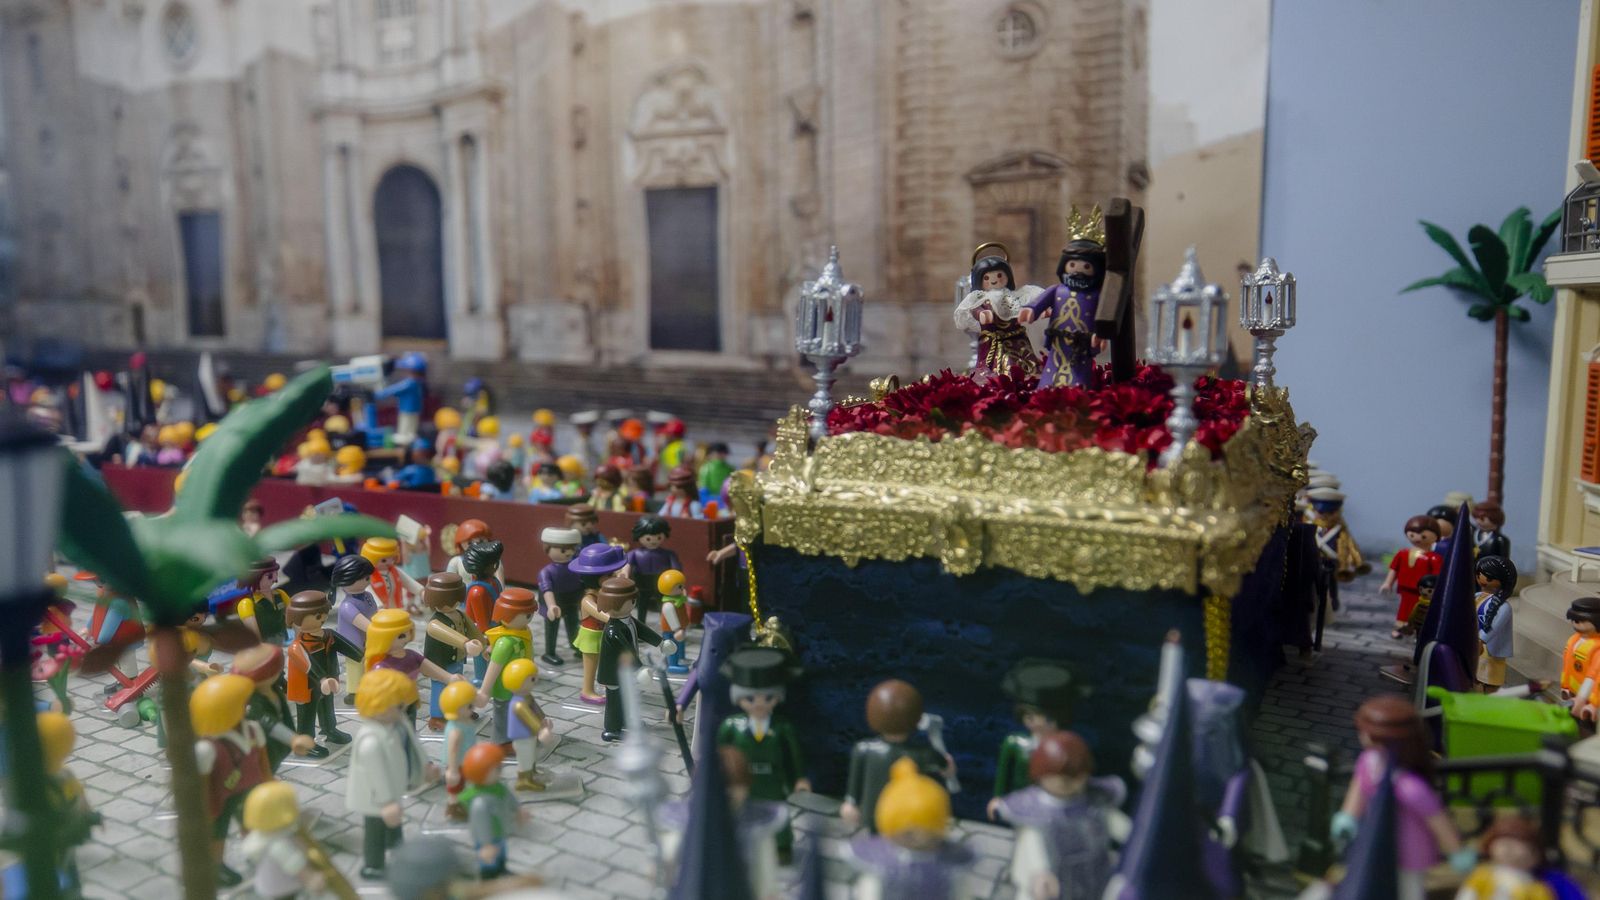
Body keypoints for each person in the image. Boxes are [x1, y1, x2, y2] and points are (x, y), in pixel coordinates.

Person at [1333, 696, 1475, 900]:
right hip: (1373, 838)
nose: (1363, 737)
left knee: (1409, 892)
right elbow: (1358, 792)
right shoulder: (1368, 763)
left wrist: (1456, 851)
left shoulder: (1410, 788)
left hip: (1408, 849)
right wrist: (1348, 816)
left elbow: (1437, 821)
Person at [994, 731, 1126, 900]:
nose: (1070, 782)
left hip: (1093, 873)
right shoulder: (1033, 809)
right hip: (1051, 880)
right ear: (1041, 775)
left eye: (1077, 776)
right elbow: (1030, 844)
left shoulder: (1094, 802)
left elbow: (1122, 827)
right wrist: (1040, 872)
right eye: (1062, 778)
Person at [346, 669, 436, 879]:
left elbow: (414, 746)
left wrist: (425, 768)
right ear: (378, 706)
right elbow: (377, 776)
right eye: (398, 705)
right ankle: (374, 865)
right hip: (375, 797)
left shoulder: (398, 721)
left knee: (394, 826)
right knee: (375, 830)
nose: (403, 708)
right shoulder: (371, 741)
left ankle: (397, 852)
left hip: (395, 786)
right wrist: (386, 802)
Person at [192, 673, 273, 886]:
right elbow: (202, 781)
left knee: (252, 823)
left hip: (251, 789)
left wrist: (268, 781)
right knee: (218, 832)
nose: (247, 706)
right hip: (222, 798)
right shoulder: (207, 748)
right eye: (241, 704)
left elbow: (262, 759)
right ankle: (215, 866)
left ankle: (256, 852)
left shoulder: (253, 730)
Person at [841, 680, 955, 833]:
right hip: (908, 817)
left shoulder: (863, 749)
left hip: (875, 816)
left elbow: (854, 785)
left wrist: (851, 802)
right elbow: (946, 767)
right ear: (917, 718)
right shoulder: (923, 753)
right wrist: (948, 767)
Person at [1017, 206, 1107, 388]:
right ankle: (1047, 388)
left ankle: (1077, 392)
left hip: (1081, 343)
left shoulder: (1096, 295)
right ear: (1064, 265)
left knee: (1079, 372)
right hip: (1058, 341)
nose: (1078, 270)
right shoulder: (1057, 290)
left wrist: (1101, 334)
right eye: (1072, 264)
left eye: (1086, 267)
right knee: (1052, 367)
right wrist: (1030, 309)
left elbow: (1102, 316)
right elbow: (1040, 301)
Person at [595, 577, 674, 742]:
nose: (634, 603)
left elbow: (644, 631)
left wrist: (660, 643)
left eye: (634, 600)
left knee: (625, 697)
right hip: (613, 674)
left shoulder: (628, 620)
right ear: (614, 604)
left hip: (624, 671)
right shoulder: (612, 631)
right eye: (630, 600)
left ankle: (625, 722)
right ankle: (612, 729)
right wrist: (639, 668)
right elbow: (626, 650)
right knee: (614, 701)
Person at [955, 245, 1042, 379]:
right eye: (987, 278)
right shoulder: (980, 299)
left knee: (1026, 361)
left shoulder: (1013, 297)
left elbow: (1024, 307)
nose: (994, 280)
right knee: (999, 365)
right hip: (995, 342)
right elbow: (974, 309)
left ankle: (1029, 375)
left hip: (1017, 338)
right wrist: (981, 314)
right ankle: (1000, 379)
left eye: (999, 275)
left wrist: (1036, 312)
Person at [285, 591, 349, 752]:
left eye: (324, 614)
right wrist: (322, 680)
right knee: (307, 714)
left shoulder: (328, 635)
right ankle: (306, 743)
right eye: (317, 616)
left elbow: (347, 647)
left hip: (328, 680)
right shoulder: (296, 646)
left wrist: (363, 656)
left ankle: (330, 729)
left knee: (327, 706)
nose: (322, 619)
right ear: (298, 618)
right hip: (308, 686)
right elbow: (308, 664)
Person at [419, 573, 484, 731]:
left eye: (456, 599)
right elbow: (448, 634)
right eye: (449, 600)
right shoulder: (435, 623)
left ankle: (457, 710)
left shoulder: (459, 614)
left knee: (457, 686)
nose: (454, 603)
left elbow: (473, 630)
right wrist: (465, 643)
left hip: (456, 660)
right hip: (439, 664)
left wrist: (484, 644)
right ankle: (437, 717)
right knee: (440, 688)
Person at [460, 744, 524, 879]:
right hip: (487, 838)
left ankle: (502, 869)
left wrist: (518, 810)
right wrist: (486, 844)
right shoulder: (480, 803)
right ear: (481, 773)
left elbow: (509, 797)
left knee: (501, 853)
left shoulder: (498, 787)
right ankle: (489, 878)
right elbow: (481, 825)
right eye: (497, 768)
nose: (501, 770)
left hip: (499, 830)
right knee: (489, 861)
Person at [537, 527, 584, 668]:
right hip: (554, 602)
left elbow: (581, 582)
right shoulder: (547, 571)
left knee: (573, 625)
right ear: (548, 549)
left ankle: (575, 646)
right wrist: (551, 605)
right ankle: (549, 652)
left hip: (571, 602)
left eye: (572, 549)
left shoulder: (575, 566)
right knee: (552, 629)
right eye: (563, 550)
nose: (568, 553)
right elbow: (547, 589)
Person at [1474, 556, 1518, 691]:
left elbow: (1494, 627)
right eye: (1478, 575)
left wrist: (1481, 640)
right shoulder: (1477, 596)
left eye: (1488, 578)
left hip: (1490, 649)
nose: (1482, 580)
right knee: (1475, 678)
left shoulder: (1504, 607)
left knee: (1490, 680)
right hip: (1475, 646)